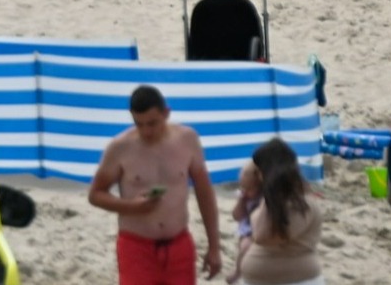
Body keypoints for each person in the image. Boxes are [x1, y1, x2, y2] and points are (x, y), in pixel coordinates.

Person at [88, 84, 224, 285]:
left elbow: (204, 192)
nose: (146, 131)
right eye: (139, 124)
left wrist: (214, 246)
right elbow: (96, 195)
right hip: (136, 247)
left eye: (152, 123)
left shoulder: (187, 140)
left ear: (166, 113)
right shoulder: (120, 147)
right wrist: (132, 206)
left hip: (178, 244)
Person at [237, 138, 323, 285]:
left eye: (260, 171)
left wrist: (270, 190)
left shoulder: (302, 203)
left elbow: (263, 235)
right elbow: (243, 185)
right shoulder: (270, 200)